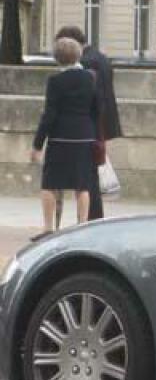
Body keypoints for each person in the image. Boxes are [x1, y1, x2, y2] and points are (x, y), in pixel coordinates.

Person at [30, 37, 99, 237]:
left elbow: (49, 115)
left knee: (50, 183)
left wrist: (37, 144)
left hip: (60, 138)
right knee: (82, 185)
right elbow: (96, 110)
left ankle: (49, 227)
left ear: (57, 58)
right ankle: (82, 226)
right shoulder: (90, 78)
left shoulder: (55, 81)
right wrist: (92, 133)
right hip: (84, 137)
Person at [55, 25, 122, 220]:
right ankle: (93, 216)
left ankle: (91, 218)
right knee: (90, 175)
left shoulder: (86, 62)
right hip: (100, 122)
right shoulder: (99, 57)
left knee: (88, 178)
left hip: (91, 125)